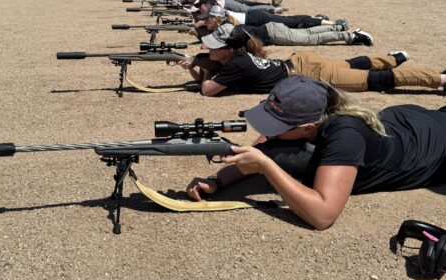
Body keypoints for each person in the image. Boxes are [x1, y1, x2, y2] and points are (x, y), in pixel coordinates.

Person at [186, 76, 446, 230]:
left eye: (278, 128)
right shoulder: (309, 105)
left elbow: (323, 215)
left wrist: (265, 165)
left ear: (308, 127)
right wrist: (218, 180)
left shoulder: (345, 136)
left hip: (433, 145)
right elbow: (266, 144)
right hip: (405, 121)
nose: (269, 133)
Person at [178, 23, 445, 97]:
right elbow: (211, 77)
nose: (209, 50)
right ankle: (395, 57)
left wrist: (200, 65)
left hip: (310, 75)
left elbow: (207, 90)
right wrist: (202, 64)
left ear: (229, 51)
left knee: (373, 81)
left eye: (214, 49)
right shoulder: (237, 59)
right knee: (353, 64)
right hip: (302, 63)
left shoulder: (236, 65)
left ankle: (439, 79)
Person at [193, 4, 365, 47]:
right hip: (272, 29)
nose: (206, 21)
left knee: (311, 39)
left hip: (274, 34)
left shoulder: (228, 30)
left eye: (208, 19)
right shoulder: (228, 25)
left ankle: (349, 36)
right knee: (307, 32)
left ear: (216, 19)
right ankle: (337, 27)